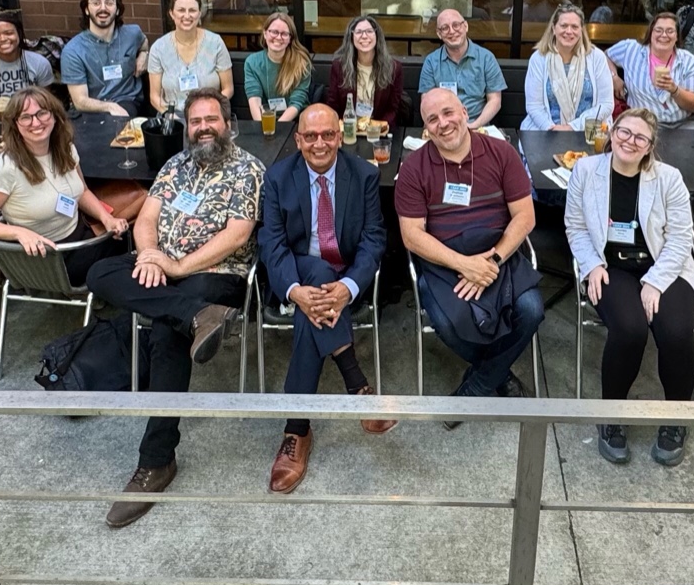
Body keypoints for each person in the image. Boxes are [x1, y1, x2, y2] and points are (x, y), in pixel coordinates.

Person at [84, 89, 264, 528]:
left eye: (211, 119)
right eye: (196, 120)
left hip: (217, 275)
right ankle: (192, 315)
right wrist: (148, 257)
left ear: (229, 124)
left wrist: (178, 265)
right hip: (164, 269)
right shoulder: (174, 165)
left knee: (167, 332)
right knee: (101, 272)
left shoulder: (248, 169)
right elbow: (146, 219)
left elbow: (238, 235)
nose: (203, 127)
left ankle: (156, 461)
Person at [257, 103, 394, 494]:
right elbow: (272, 242)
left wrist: (349, 286)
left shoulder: (364, 174)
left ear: (340, 135)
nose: (320, 143)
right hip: (296, 277)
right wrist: (294, 290)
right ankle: (358, 387)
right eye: (311, 136)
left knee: (318, 290)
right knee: (315, 272)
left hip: (343, 276)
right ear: (298, 140)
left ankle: (296, 431)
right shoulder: (279, 177)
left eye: (328, 134)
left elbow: (373, 239)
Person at [564, 108, 694, 466]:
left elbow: (680, 239)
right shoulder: (585, 170)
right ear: (612, 134)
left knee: (676, 332)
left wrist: (655, 283)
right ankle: (611, 415)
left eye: (639, 138)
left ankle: (676, 418)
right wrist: (591, 264)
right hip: (612, 266)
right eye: (624, 133)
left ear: (650, 147)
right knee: (629, 329)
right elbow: (575, 227)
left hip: (664, 265)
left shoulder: (668, 178)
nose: (629, 141)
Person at [395, 89, 542, 417]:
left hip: (497, 254)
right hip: (444, 261)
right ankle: (498, 375)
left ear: (465, 112)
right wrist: (463, 264)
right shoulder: (413, 169)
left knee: (531, 310)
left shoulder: (502, 152)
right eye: (432, 119)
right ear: (425, 128)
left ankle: (476, 386)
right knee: (451, 324)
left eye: (448, 113)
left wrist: (492, 261)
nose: (443, 123)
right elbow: (412, 235)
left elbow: (525, 216)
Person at [0, 89, 129, 284]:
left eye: (42, 113)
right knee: (126, 256)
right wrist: (19, 232)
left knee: (127, 234)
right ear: (14, 124)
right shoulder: (3, 169)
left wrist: (106, 218)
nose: (36, 122)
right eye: (25, 117)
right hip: (47, 258)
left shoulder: (65, 149)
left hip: (78, 236)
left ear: (55, 116)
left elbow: (82, 191)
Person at [522, 1, 614, 132]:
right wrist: (552, 129)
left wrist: (572, 127)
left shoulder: (596, 57)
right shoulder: (539, 58)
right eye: (564, 25)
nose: (569, 31)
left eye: (574, 27)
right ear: (554, 29)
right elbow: (534, 106)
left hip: (587, 132)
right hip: (546, 131)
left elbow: (606, 105)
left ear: (581, 30)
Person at [62, 0, 149, 117]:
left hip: (127, 102)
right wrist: (109, 106)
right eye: (96, 3)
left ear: (118, 9)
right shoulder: (73, 50)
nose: (103, 8)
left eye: (109, 3)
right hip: (91, 109)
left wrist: (144, 54)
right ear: (86, 9)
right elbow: (80, 101)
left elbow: (144, 42)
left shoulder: (133, 34)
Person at [607, 12, 694, 128]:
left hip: (681, 124)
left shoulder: (691, 62)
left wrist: (675, 90)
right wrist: (614, 77)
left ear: (677, 36)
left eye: (670, 31)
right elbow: (604, 56)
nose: (664, 35)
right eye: (658, 30)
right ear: (650, 33)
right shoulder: (631, 49)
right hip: (642, 122)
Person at [146, 0, 233, 114]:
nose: (187, 16)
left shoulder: (215, 43)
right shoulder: (159, 48)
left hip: (208, 114)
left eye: (192, 10)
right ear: (171, 13)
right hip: (172, 116)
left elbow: (228, 89)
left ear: (199, 14)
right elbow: (155, 97)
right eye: (181, 10)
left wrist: (209, 111)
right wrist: (170, 116)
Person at [417, 9, 507, 129]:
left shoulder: (486, 58)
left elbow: (495, 100)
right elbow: (426, 102)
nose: (452, 31)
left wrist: (475, 125)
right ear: (439, 34)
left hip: (477, 126)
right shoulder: (431, 62)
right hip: (444, 126)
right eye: (445, 28)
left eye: (456, 25)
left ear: (465, 26)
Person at [324, 16, 404, 125]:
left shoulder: (393, 68)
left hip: (378, 130)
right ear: (351, 37)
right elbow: (333, 105)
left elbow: (393, 109)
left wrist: (375, 127)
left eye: (369, 31)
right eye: (359, 32)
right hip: (349, 129)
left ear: (377, 35)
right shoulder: (339, 67)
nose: (364, 36)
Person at [244, 12, 312, 126]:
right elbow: (254, 99)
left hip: (296, 122)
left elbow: (296, 103)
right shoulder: (252, 62)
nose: (279, 37)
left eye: (284, 34)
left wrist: (277, 127)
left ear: (290, 38)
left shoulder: (302, 63)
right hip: (265, 121)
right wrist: (264, 126)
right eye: (274, 32)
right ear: (265, 33)